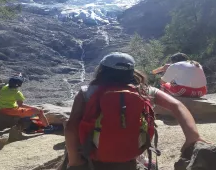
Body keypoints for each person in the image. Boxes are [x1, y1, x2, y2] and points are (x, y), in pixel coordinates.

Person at [65, 52, 205, 170]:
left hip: (95, 153)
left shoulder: (87, 92)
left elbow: (71, 126)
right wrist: (193, 136)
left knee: (72, 127)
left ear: (102, 70)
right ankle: (140, 160)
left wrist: (74, 161)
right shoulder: (145, 91)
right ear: (131, 72)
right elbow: (177, 106)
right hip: (131, 152)